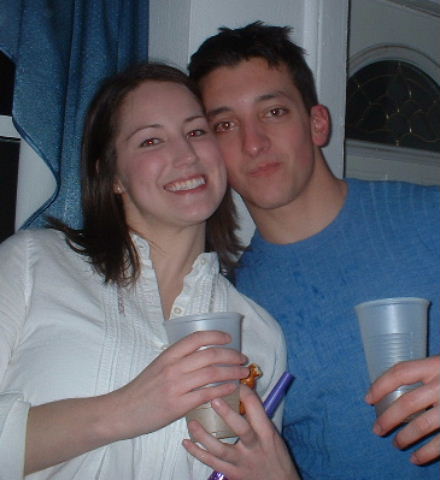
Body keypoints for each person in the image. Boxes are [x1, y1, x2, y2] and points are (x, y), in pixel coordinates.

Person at [0, 62, 289, 479]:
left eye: (196, 132)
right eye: (151, 140)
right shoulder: (31, 264)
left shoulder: (260, 333)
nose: (186, 155)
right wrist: (125, 409)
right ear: (111, 175)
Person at [188, 21, 440, 479]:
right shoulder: (235, 310)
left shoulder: (430, 217)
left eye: (273, 112)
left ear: (317, 123)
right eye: (225, 125)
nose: (253, 143)